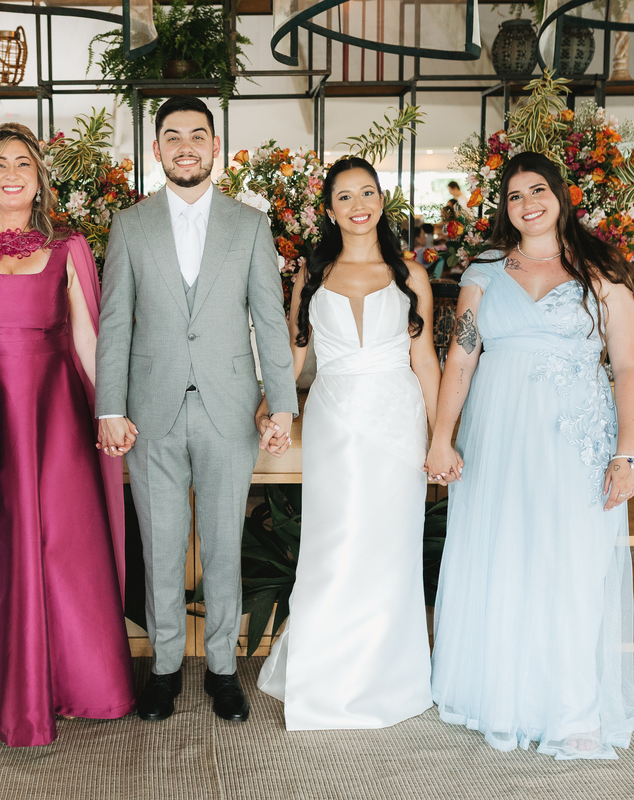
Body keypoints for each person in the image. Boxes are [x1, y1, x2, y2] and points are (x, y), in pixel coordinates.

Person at [0, 123, 135, 747]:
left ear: (40, 177)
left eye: (23, 162)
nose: (11, 173)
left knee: (61, 541)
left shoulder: (70, 245)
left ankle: (77, 682)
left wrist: (111, 410)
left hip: (55, 410)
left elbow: (89, 337)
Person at [425, 152, 634, 759]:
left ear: (560, 196)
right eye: (515, 195)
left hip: (574, 437)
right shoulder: (484, 271)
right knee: (501, 551)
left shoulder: (600, 270)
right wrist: (441, 436)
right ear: (505, 207)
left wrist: (627, 454)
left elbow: (628, 366)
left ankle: (570, 707)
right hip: (497, 433)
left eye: (538, 190)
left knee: (570, 559)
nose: (528, 204)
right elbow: (461, 357)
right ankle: (498, 695)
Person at [95, 96, 298, 723]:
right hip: (149, 408)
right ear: (157, 148)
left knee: (223, 544)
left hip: (229, 408)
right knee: (159, 545)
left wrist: (282, 404)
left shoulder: (250, 225)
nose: (186, 146)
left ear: (215, 146)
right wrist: (109, 406)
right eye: (173, 136)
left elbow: (270, 319)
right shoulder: (130, 225)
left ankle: (221, 670)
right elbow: (114, 323)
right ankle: (162, 670)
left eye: (198, 135)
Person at [255, 157, 439, 730]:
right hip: (335, 419)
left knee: (391, 548)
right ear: (330, 211)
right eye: (344, 197)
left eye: (367, 192)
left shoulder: (411, 275)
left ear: (382, 200)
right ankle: (325, 679)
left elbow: (425, 360)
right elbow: (293, 355)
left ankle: (386, 678)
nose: (359, 205)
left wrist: (441, 439)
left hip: (398, 420)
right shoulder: (311, 277)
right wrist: (271, 408)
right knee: (333, 545)